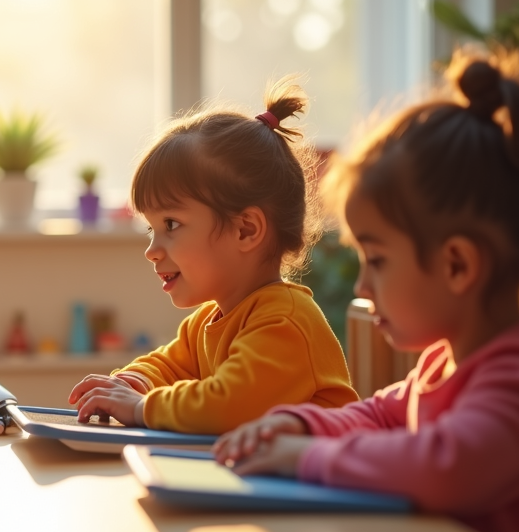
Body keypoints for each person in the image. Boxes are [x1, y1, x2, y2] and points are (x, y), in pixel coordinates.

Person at [213, 51, 519, 532]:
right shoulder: (443, 363)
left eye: (378, 260)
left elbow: (447, 466)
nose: (362, 285)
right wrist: (299, 423)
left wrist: (306, 457)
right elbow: (378, 416)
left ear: (457, 266)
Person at [68, 78, 358, 434]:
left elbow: (227, 405)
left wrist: (142, 407)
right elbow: (168, 367)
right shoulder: (208, 321)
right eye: (151, 229)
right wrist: (133, 382)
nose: (151, 250)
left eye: (171, 224)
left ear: (246, 230)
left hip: (314, 487)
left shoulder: (285, 323)